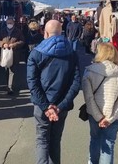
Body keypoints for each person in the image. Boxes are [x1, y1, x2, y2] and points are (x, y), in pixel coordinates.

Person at [27, 19, 80, 164]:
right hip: (61, 105)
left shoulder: (36, 53)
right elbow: (76, 83)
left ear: (45, 33)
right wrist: (61, 105)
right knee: (55, 141)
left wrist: (46, 106)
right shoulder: (71, 53)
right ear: (61, 32)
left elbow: (32, 82)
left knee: (42, 140)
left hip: (42, 105)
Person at [82, 43, 118, 164]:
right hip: (115, 116)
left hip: (94, 114)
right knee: (109, 143)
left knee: (95, 140)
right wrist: (110, 118)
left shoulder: (89, 71)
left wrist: (99, 117)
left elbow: (88, 97)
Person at [0, 17, 25, 94]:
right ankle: (7, 85)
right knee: (6, 70)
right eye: (8, 23)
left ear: (13, 23)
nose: (9, 24)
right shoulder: (3, 31)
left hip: (14, 54)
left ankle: (10, 86)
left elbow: (22, 41)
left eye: (11, 23)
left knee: (12, 71)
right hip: (5, 53)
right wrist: (3, 44)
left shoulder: (18, 31)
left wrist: (14, 44)